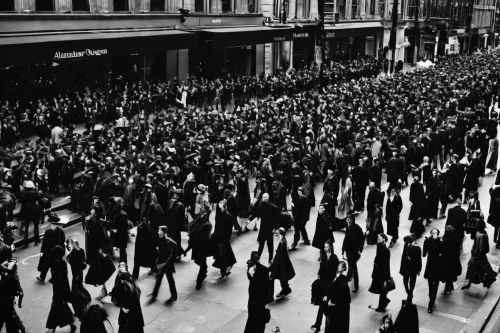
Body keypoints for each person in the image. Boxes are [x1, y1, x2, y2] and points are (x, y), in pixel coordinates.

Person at [84, 205, 114, 301]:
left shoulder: (96, 224)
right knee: (101, 269)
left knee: (100, 270)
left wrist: (100, 249)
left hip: (96, 250)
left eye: (92, 213)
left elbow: (97, 238)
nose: (90, 214)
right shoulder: (94, 222)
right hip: (95, 250)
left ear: (96, 214)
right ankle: (103, 290)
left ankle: (103, 291)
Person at [46, 245, 77, 333]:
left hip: (58, 290)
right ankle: (71, 325)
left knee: (55, 309)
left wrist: (51, 280)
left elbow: (56, 278)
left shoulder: (56, 263)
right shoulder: (63, 262)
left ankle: (51, 328)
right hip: (63, 289)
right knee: (63, 308)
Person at [311, 239, 339, 333]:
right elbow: (321, 267)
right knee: (323, 305)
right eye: (324, 247)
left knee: (324, 306)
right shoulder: (324, 255)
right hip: (324, 283)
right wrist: (319, 274)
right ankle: (318, 325)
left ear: (330, 247)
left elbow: (334, 272)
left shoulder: (334, 258)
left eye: (327, 247)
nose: (325, 248)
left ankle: (319, 325)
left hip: (329, 285)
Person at [462, 219, 497, 290]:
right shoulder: (483, 233)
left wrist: (475, 252)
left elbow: (479, 246)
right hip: (479, 254)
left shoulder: (480, 234)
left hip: (477, 254)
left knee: (475, 268)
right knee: (482, 268)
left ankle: (468, 282)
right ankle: (489, 279)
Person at [111, 262, 144, 333]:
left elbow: (115, 295)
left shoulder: (123, 284)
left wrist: (122, 306)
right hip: (133, 310)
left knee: (126, 325)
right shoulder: (132, 283)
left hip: (128, 309)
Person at [244, 251, 271, 333]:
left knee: (252, 318)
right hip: (260, 299)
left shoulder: (250, 268)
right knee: (259, 321)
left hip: (253, 298)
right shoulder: (264, 270)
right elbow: (267, 286)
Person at [186, 208, 212, 290]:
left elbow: (191, 237)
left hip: (196, 248)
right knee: (203, 265)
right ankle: (199, 282)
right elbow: (206, 238)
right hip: (202, 248)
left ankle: (202, 277)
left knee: (201, 264)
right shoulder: (207, 225)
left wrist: (188, 248)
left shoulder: (194, 224)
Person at [66, 237, 91, 321]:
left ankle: (81, 308)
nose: (68, 246)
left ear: (73, 244)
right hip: (80, 273)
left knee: (75, 293)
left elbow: (69, 260)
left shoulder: (72, 254)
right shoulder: (81, 250)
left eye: (69, 244)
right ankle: (87, 299)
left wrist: (68, 255)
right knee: (79, 288)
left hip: (76, 275)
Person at [150, 225, 177, 302]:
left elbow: (171, 257)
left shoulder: (171, 243)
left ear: (164, 232)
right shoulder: (162, 241)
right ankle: (154, 294)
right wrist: (157, 263)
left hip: (167, 265)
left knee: (170, 280)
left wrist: (163, 264)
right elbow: (160, 254)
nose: (158, 233)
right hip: (162, 264)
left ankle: (174, 296)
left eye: (160, 231)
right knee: (159, 279)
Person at [323, 260, 351, 333]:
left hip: (336, 306)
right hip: (334, 304)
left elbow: (337, 291)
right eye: (338, 266)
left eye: (340, 266)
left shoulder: (342, 279)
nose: (339, 268)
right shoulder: (337, 276)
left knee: (333, 324)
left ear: (344, 268)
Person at [212, 199, 237, 278]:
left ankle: (223, 270)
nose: (220, 209)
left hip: (223, 238)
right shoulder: (220, 214)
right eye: (219, 208)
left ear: (225, 207)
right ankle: (224, 269)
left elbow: (229, 229)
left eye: (222, 208)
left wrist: (227, 237)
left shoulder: (229, 217)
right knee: (222, 255)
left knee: (222, 255)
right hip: (219, 238)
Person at [37, 218, 66, 283]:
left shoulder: (48, 232)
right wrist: (63, 252)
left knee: (45, 264)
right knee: (54, 265)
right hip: (57, 252)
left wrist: (42, 252)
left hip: (48, 251)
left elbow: (44, 243)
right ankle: (54, 277)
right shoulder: (61, 231)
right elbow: (63, 242)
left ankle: (42, 278)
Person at [270, 227, 295, 300]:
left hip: (282, 263)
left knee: (282, 277)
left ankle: (285, 290)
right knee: (283, 277)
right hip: (283, 262)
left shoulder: (282, 242)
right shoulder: (283, 240)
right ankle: (285, 289)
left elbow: (280, 254)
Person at [423, 228, 444, 313]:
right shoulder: (428, 242)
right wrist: (426, 243)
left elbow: (443, 254)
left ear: (438, 234)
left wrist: (437, 241)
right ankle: (432, 300)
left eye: (435, 233)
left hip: (437, 267)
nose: (434, 234)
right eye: (432, 233)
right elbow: (424, 254)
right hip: (429, 267)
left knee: (435, 287)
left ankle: (430, 305)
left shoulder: (441, 243)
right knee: (430, 287)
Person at [369, 233, 391, 312]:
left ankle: (382, 305)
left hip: (382, 272)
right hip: (378, 271)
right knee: (381, 289)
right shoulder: (379, 246)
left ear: (384, 239)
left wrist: (386, 278)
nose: (378, 238)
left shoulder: (385, 250)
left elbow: (386, 265)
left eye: (379, 237)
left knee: (382, 289)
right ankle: (382, 303)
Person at [342, 214, 364, 292]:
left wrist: (360, 250)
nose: (348, 221)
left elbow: (361, 241)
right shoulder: (348, 228)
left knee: (353, 267)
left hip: (354, 251)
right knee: (350, 265)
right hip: (348, 250)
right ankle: (350, 275)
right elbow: (346, 238)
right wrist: (343, 250)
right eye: (347, 219)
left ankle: (356, 285)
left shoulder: (358, 229)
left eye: (349, 219)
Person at [255, 193, 279, 263]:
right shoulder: (260, 205)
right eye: (264, 197)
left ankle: (270, 259)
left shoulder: (272, 207)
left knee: (269, 246)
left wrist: (275, 227)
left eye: (266, 197)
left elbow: (277, 218)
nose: (265, 198)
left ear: (268, 198)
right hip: (263, 229)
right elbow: (255, 211)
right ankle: (258, 258)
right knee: (261, 246)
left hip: (269, 229)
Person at [19, 180, 43, 248]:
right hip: (35, 210)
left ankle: (26, 243)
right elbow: (40, 201)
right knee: (36, 226)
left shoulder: (24, 194)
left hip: (27, 211)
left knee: (26, 227)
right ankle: (37, 240)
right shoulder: (36, 193)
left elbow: (21, 202)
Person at [399, 233, 421, 303]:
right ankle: (408, 291)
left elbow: (419, 260)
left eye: (406, 241)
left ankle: (410, 295)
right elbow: (403, 255)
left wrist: (418, 270)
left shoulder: (417, 247)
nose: (405, 243)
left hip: (413, 268)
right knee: (405, 281)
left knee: (412, 282)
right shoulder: (406, 245)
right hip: (406, 267)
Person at [441, 225, 462, 295]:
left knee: (447, 274)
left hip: (446, 259)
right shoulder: (456, 240)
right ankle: (449, 287)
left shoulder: (444, 240)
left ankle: (448, 288)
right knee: (450, 274)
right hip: (453, 259)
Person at [110, 197, 129, 264]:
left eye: (115, 204)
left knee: (123, 251)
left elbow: (124, 227)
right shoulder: (115, 212)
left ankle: (124, 265)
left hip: (122, 236)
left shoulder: (123, 214)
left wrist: (117, 229)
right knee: (121, 249)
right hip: (118, 235)